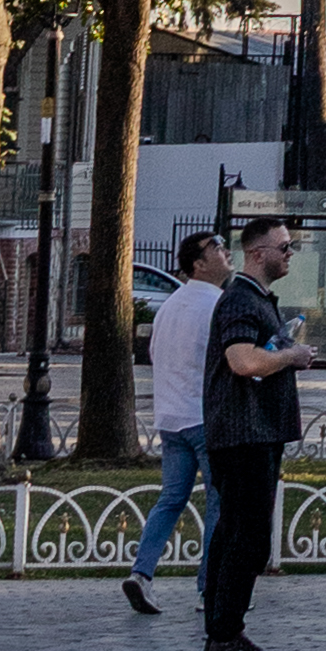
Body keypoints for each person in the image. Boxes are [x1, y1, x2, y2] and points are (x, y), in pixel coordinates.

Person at [197, 211, 310, 651]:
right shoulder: (241, 300)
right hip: (244, 434)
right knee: (249, 536)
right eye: (284, 247)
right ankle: (225, 633)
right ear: (258, 253)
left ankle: (223, 629)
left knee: (235, 531)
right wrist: (293, 356)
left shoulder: (255, 298)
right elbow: (243, 361)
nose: (289, 255)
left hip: (251, 432)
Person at [123, 231, 224, 619]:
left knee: (171, 499)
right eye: (216, 249)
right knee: (218, 502)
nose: (224, 253)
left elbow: (155, 355)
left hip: (171, 418)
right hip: (205, 418)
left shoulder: (169, 306)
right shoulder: (217, 304)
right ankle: (208, 587)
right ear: (198, 263)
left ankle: (142, 572)